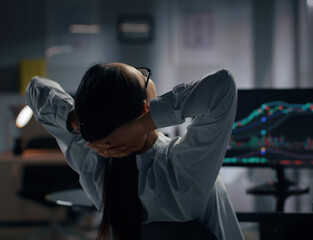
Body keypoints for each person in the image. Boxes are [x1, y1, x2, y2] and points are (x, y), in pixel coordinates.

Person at [26, 63, 244, 240]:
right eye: (143, 76)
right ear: (145, 108)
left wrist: (76, 119)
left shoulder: (91, 160)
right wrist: (140, 126)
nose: (145, 74)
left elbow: (35, 89)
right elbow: (222, 84)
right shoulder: (183, 167)